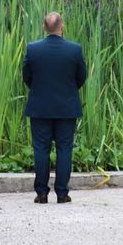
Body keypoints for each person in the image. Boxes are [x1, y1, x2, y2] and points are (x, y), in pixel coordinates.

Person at [22, 12, 87, 204]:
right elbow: (81, 76)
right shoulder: (75, 50)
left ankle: (41, 193)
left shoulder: (33, 49)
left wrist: (39, 90)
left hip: (40, 108)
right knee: (64, 149)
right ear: (62, 26)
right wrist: (68, 91)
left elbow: (27, 76)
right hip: (66, 108)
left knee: (40, 149)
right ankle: (61, 193)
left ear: (44, 27)